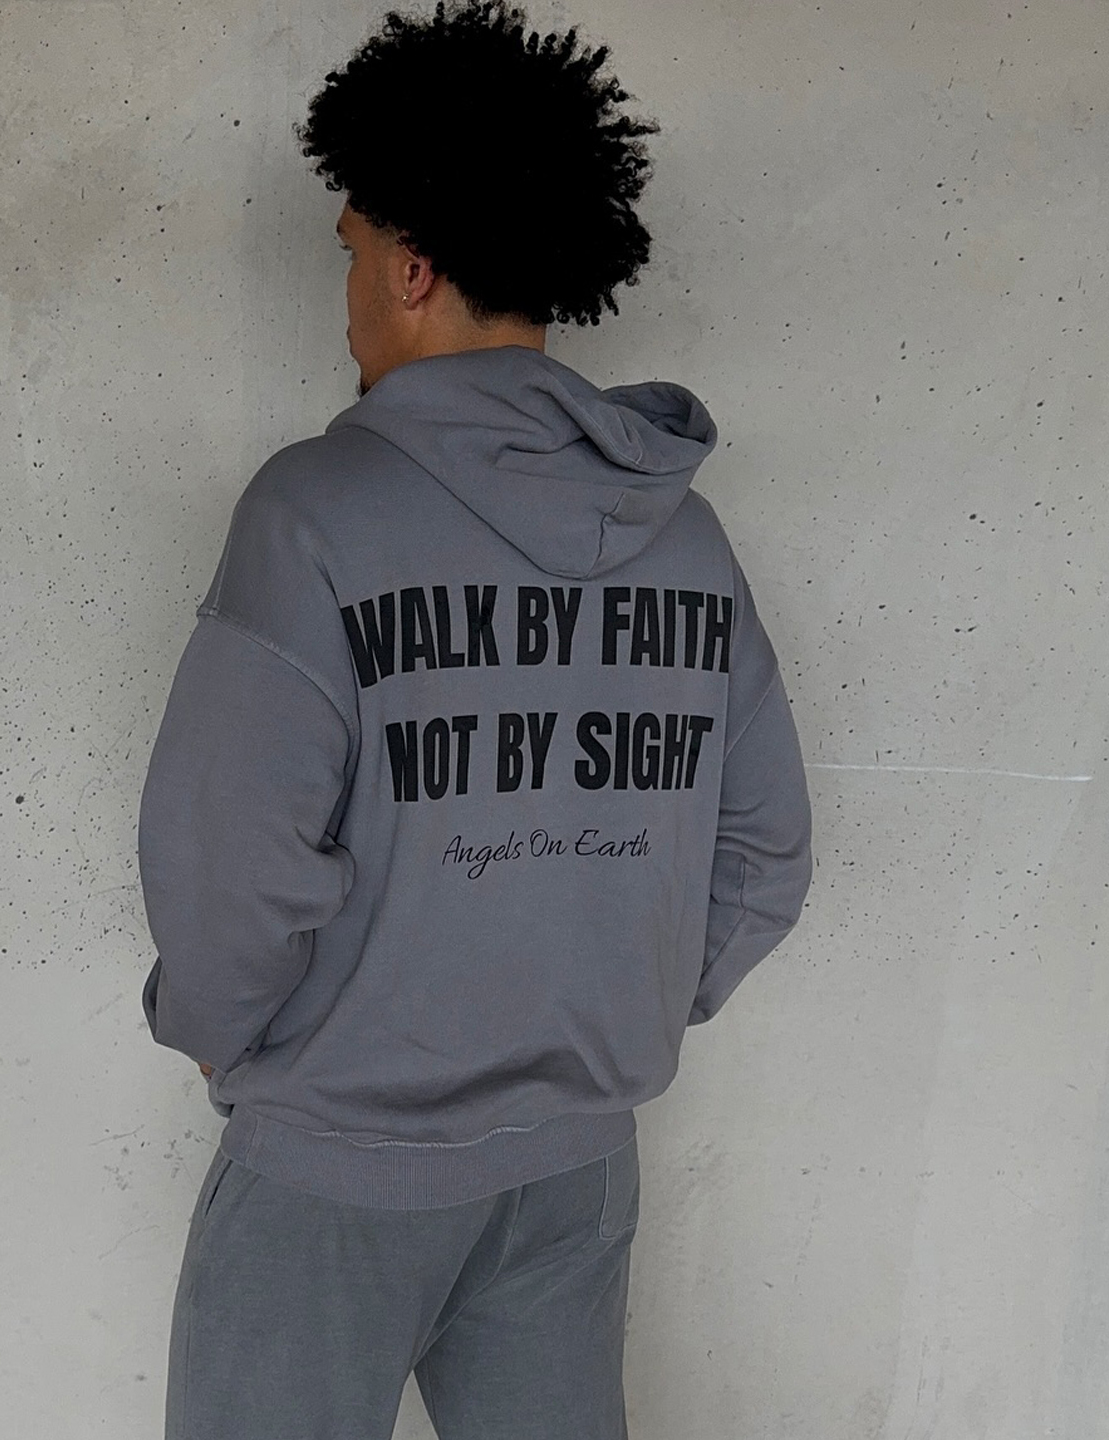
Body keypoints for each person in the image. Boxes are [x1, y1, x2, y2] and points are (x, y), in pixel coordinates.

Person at [136, 2, 814, 1436]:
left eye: (351, 254)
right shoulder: (686, 544)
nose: (345, 295)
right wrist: (616, 1006)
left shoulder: (313, 516)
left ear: (414, 268)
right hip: (574, 1169)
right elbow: (764, 853)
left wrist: (218, 1037)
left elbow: (227, 862)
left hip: (334, 1168)